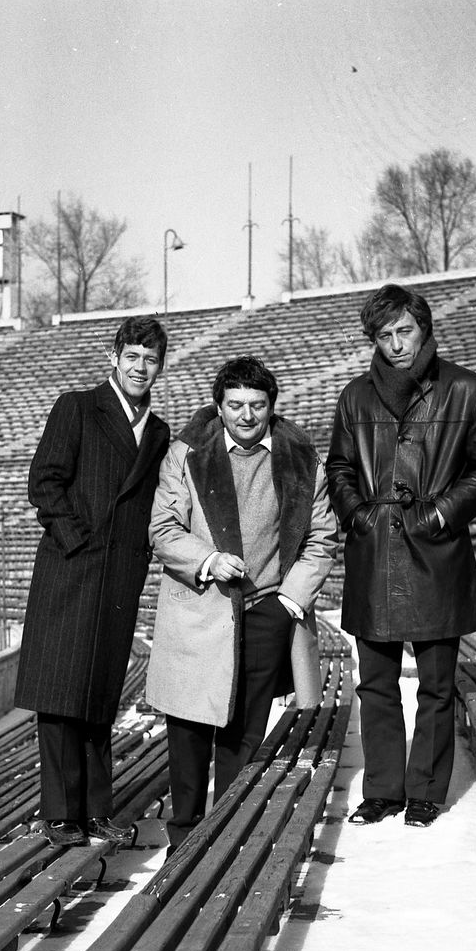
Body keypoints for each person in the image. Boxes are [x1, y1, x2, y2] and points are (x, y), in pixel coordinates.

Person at [325, 284, 476, 828]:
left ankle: (426, 791)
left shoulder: (468, 390)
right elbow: (339, 467)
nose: (396, 344)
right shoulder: (355, 397)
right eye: (384, 335)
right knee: (375, 682)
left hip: (436, 551)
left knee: (436, 684)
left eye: (404, 331)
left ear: (424, 329)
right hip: (373, 550)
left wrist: (440, 514)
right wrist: (358, 514)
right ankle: (383, 790)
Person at [146, 355, 338, 852]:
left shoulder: (301, 458)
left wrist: (289, 601)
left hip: (266, 610)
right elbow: (163, 529)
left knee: (243, 736)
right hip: (200, 607)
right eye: (235, 405)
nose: (246, 415)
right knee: (189, 729)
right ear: (219, 407)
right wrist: (208, 559)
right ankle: (183, 841)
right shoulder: (186, 453)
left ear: (271, 406)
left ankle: (225, 842)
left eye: (256, 405)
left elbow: (322, 537)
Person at [14, 315, 172, 848]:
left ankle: (97, 810)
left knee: (101, 697)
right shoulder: (77, 407)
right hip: (71, 570)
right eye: (133, 357)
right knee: (62, 694)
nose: (140, 368)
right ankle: (61, 813)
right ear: (114, 357)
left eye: (151, 360)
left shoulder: (157, 431)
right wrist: (78, 542)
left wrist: (133, 559)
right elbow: (44, 482)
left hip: (119, 579)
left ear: (160, 367)